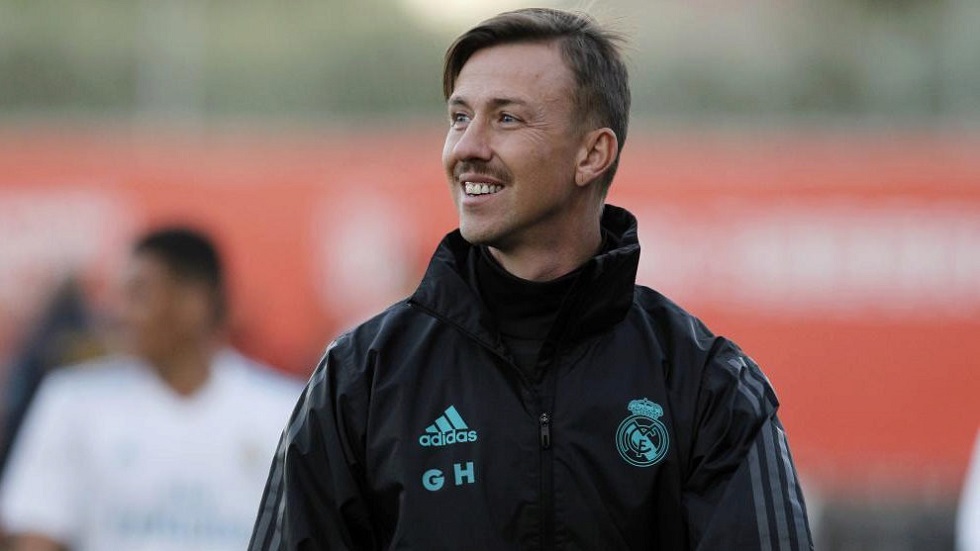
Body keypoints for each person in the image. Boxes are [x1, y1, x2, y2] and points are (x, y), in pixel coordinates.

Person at [250, 7, 812, 550]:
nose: (467, 148)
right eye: (460, 117)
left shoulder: (706, 382)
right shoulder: (360, 377)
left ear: (592, 154)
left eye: (507, 118)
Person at [0, 227, 302, 551]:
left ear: (193, 301)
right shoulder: (74, 402)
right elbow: (37, 532)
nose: (120, 314)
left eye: (139, 295)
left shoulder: (285, 410)